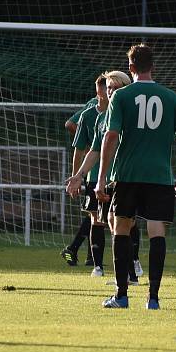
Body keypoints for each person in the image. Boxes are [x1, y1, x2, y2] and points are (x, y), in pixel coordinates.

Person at [95, 44, 176, 310]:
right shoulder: (171, 97)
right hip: (160, 176)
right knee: (157, 231)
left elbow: (111, 135)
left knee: (121, 227)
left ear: (131, 68)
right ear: (153, 66)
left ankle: (122, 295)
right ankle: (153, 299)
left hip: (127, 174)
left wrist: (102, 177)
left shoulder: (121, 96)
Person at [66, 71, 139, 282]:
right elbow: (94, 151)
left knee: (124, 224)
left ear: (125, 89)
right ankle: (127, 274)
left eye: (115, 88)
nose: (111, 92)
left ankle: (129, 273)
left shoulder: (132, 117)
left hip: (127, 177)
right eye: (109, 88)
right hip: (106, 178)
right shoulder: (99, 118)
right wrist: (78, 175)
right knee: (109, 221)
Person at [60, 93, 101, 267]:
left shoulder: (118, 102)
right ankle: (76, 250)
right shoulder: (94, 104)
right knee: (98, 214)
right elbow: (70, 123)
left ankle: (86, 254)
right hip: (95, 169)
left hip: (105, 169)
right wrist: (93, 142)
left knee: (100, 215)